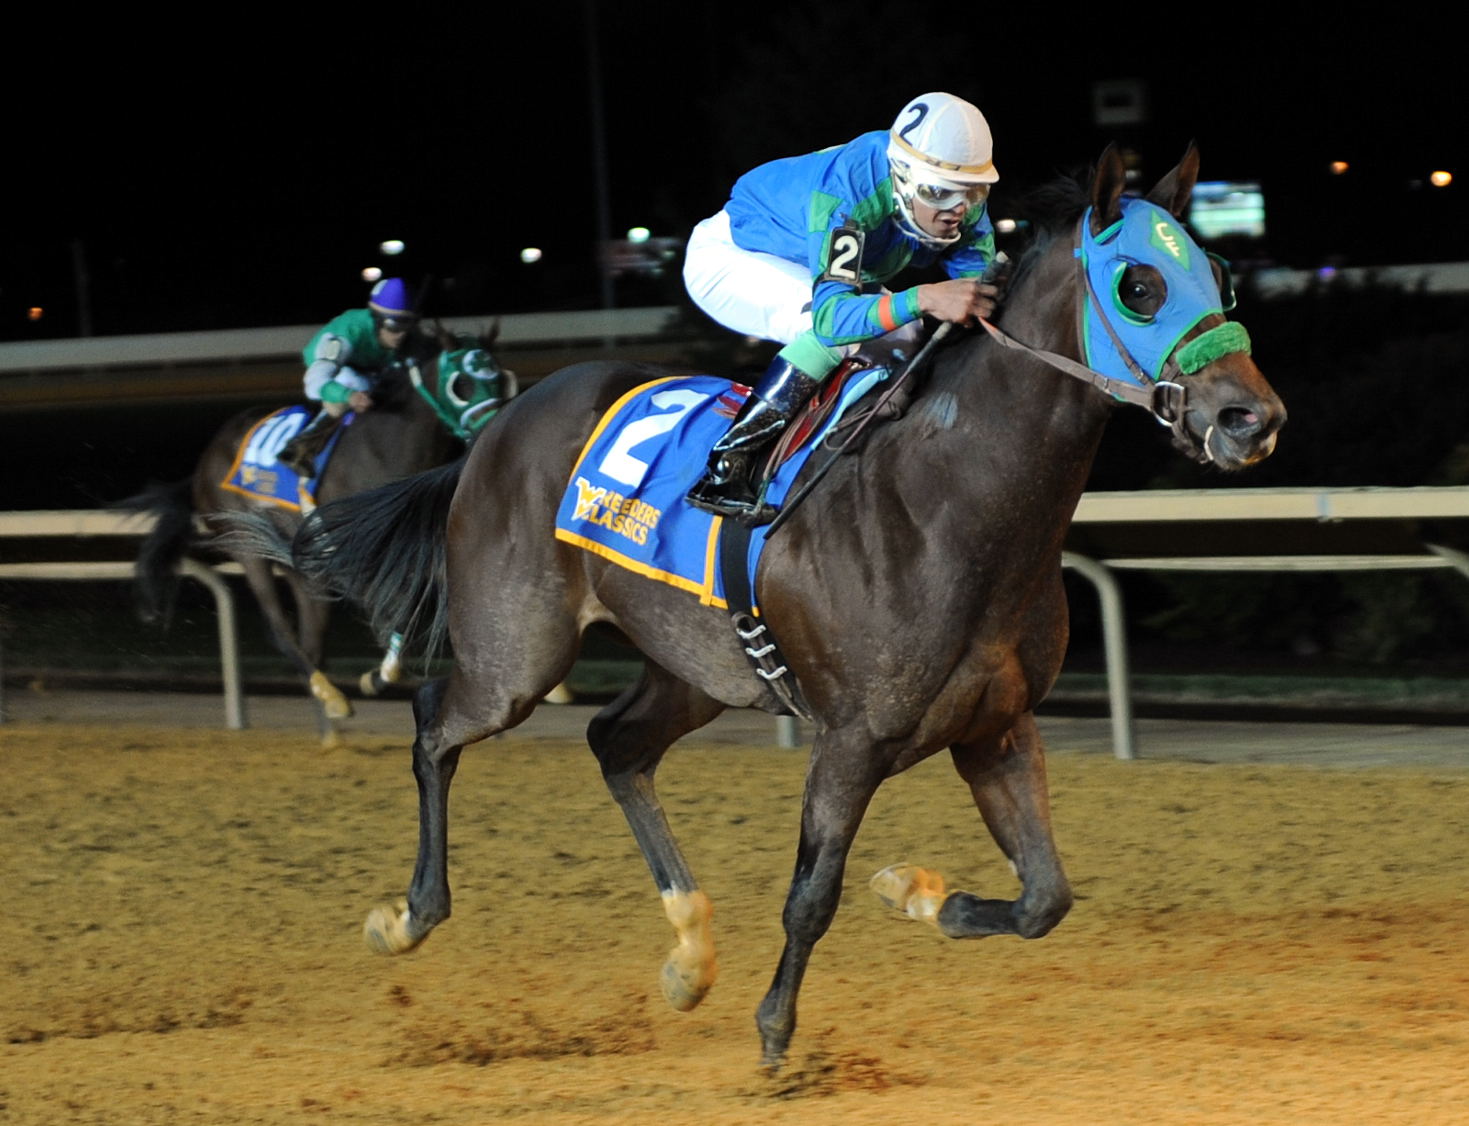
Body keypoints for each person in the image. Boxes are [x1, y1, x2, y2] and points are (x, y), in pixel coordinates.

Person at [682, 91, 1003, 523]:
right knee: (841, 336)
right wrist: (925, 297)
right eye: (939, 193)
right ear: (903, 176)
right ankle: (726, 465)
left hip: (811, 257)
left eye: (972, 193)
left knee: (905, 333)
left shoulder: (958, 191)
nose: (957, 211)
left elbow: (977, 292)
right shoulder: (849, 193)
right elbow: (832, 321)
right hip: (735, 256)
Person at [276, 277, 419, 477]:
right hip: (331, 365)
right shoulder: (349, 332)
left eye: (408, 325)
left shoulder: (409, 337)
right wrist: (347, 396)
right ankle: (299, 447)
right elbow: (314, 382)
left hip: (372, 367)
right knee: (357, 383)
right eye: (394, 326)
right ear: (377, 320)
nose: (401, 334)